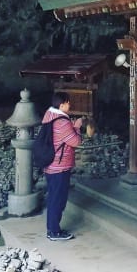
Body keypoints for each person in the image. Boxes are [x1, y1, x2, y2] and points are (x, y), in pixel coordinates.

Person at [41, 91, 83, 241]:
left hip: (51, 165)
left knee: (53, 197)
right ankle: (54, 232)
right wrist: (77, 127)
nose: (69, 104)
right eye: (68, 102)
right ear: (61, 105)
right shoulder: (62, 122)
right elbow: (76, 142)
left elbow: (60, 135)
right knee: (58, 199)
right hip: (59, 167)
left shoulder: (49, 115)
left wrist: (70, 126)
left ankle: (52, 229)